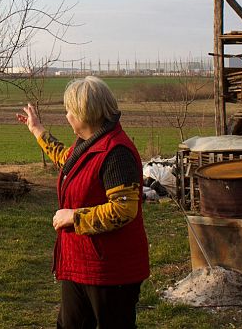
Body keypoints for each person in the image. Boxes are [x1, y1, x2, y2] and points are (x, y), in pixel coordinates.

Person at [17, 76, 149, 329]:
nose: (66, 116)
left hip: (111, 270)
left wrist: (73, 217)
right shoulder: (89, 144)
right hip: (81, 263)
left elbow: (124, 209)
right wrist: (37, 130)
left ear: (84, 113)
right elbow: (65, 159)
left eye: (69, 110)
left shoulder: (116, 153)